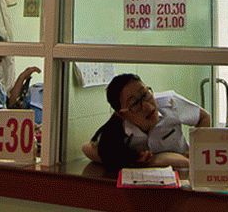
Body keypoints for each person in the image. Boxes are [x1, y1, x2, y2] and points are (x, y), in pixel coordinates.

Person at [82, 73, 210, 171]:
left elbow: (204, 118)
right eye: (135, 103)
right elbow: (87, 148)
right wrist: (139, 159)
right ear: (122, 114)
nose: (148, 107)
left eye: (145, 94)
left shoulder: (170, 103)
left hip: (184, 174)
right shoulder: (118, 128)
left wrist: (196, 150)